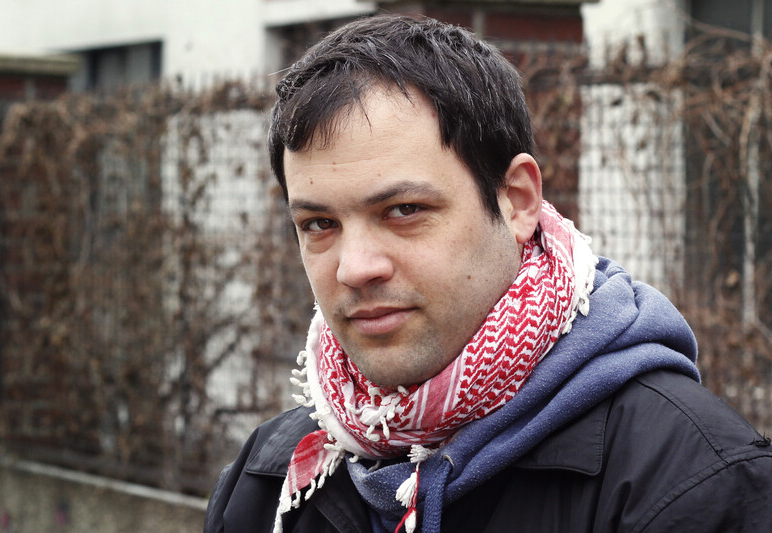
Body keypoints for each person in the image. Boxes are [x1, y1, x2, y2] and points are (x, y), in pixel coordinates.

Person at [204, 15, 772, 533]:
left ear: (517, 201)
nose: (355, 268)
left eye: (404, 211)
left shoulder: (690, 484)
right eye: (319, 223)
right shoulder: (269, 482)